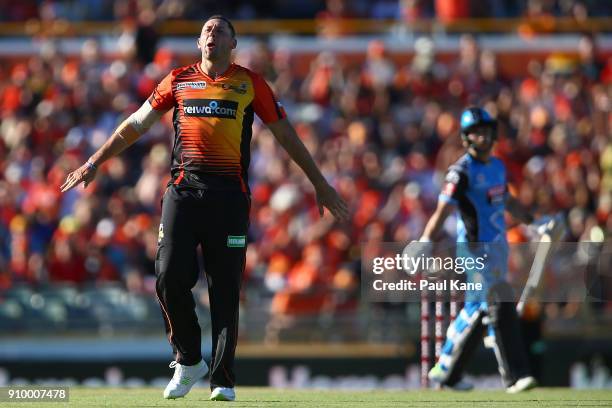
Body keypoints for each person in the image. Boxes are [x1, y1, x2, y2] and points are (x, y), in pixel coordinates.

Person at [60, 15, 349, 402]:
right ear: (199, 41)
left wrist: (319, 183)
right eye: (208, 30)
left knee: (225, 290)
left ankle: (223, 380)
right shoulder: (178, 80)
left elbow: (285, 134)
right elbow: (137, 123)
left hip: (229, 197)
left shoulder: (250, 83)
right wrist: (94, 162)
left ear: (234, 43)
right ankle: (189, 359)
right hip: (183, 191)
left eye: (222, 30)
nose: (213, 33)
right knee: (166, 276)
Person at [405, 107, 538, 393]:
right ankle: (515, 375)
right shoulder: (461, 172)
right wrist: (426, 240)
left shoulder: (498, 167)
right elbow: (443, 210)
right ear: (466, 138)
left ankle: (447, 371)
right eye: (476, 132)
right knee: (498, 300)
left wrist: (535, 222)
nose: (483, 137)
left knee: (477, 309)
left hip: (498, 248)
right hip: (475, 249)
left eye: (486, 131)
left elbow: (507, 202)